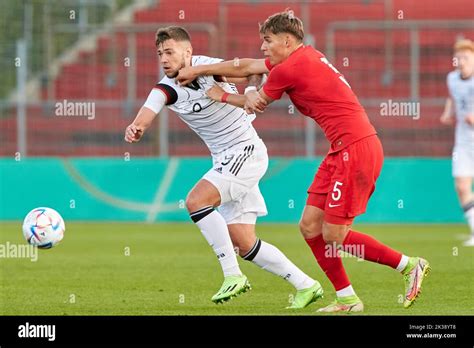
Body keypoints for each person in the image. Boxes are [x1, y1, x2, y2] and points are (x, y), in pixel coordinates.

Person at [177, 11, 430, 312]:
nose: (263, 47)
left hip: (356, 149)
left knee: (334, 235)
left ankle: (407, 265)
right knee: (310, 226)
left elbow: (254, 103)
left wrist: (217, 91)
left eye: (267, 40)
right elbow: (247, 66)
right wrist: (199, 70)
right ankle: (347, 298)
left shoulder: (290, 68)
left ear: (286, 40)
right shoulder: (302, 57)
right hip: (341, 149)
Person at [125, 26, 323, 308]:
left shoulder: (209, 67)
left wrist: (251, 90)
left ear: (188, 52)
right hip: (226, 160)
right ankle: (306, 285)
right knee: (245, 244)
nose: (164, 59)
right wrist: (136, 127)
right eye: (160, 54)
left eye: (169, 52)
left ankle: (232, 276)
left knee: (196, 201)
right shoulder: (165, 88)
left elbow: (255, 69)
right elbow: (148, 110)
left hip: (246, 151)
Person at [440, 39, 474, 247]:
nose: (461, 61)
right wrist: (447, 113)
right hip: (463, 142)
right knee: (462, 186)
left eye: (466, 57)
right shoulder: (452, 78)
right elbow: (452, 97)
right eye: (458, 57)